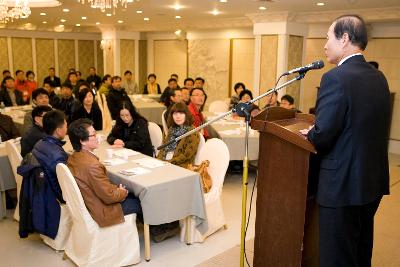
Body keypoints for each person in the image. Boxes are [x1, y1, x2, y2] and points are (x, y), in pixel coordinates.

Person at [304, 15, 391, 267]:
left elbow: (323, 135)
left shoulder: (336, 77)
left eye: (328, 37)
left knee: (337, 256)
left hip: (341, 184)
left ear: (344, 39)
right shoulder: (378, 77)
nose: (324, 44)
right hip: (370, 182)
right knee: (360, 251)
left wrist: (311, 132)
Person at [67, 119, 142, 227]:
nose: (98, 137)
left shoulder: (73, 157)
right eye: (93, 135)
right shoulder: (91, 165)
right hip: (102, 210)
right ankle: (158, 230)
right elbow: (109, 197)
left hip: (90, 203)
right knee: (140, 201)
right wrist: (122, 192)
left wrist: (117, 189)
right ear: (82, 141)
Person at [30, 109, 68, 238]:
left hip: (41, 190)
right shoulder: (57, 155)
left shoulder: (40, 143)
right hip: (54, 196)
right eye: (66, 125)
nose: (67, 127)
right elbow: (62, 184)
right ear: (58, 130)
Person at [158, 102, 199, 168]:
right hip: (166, 162)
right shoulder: (172, 129)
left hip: (181, 166)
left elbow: (186, 155)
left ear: (186, 115)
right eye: (175, 113)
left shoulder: (192, 132)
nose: (178, 116)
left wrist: (168, 162)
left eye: (181, 113)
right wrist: (158, 160)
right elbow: (163, 148)